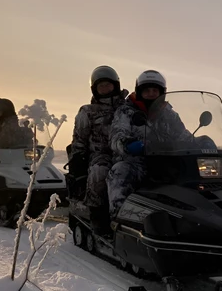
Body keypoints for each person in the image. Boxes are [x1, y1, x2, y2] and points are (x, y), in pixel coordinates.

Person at [107, 70, 196, 217]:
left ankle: (193, 219)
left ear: (162, 92)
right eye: (147, 90)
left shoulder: (169, 114)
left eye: (155, 90)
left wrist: (200, 142)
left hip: (167, 162)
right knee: (119, 172)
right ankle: (119, 221)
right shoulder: (126, 111)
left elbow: (182, 134)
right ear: (139, 92)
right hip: (137, 162)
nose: (151, 94)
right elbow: (116, 135)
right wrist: (127, 144)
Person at [69, 65, 128, 236]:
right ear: (95, 89)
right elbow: (79, 140)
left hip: (126, 153)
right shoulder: (88, 111)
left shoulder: (126, 108)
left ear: (115, 85)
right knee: (99, 172)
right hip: (100, 155)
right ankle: (98, 217)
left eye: (107, 85)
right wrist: (78, 166)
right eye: (100, 86)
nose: (104, 89)